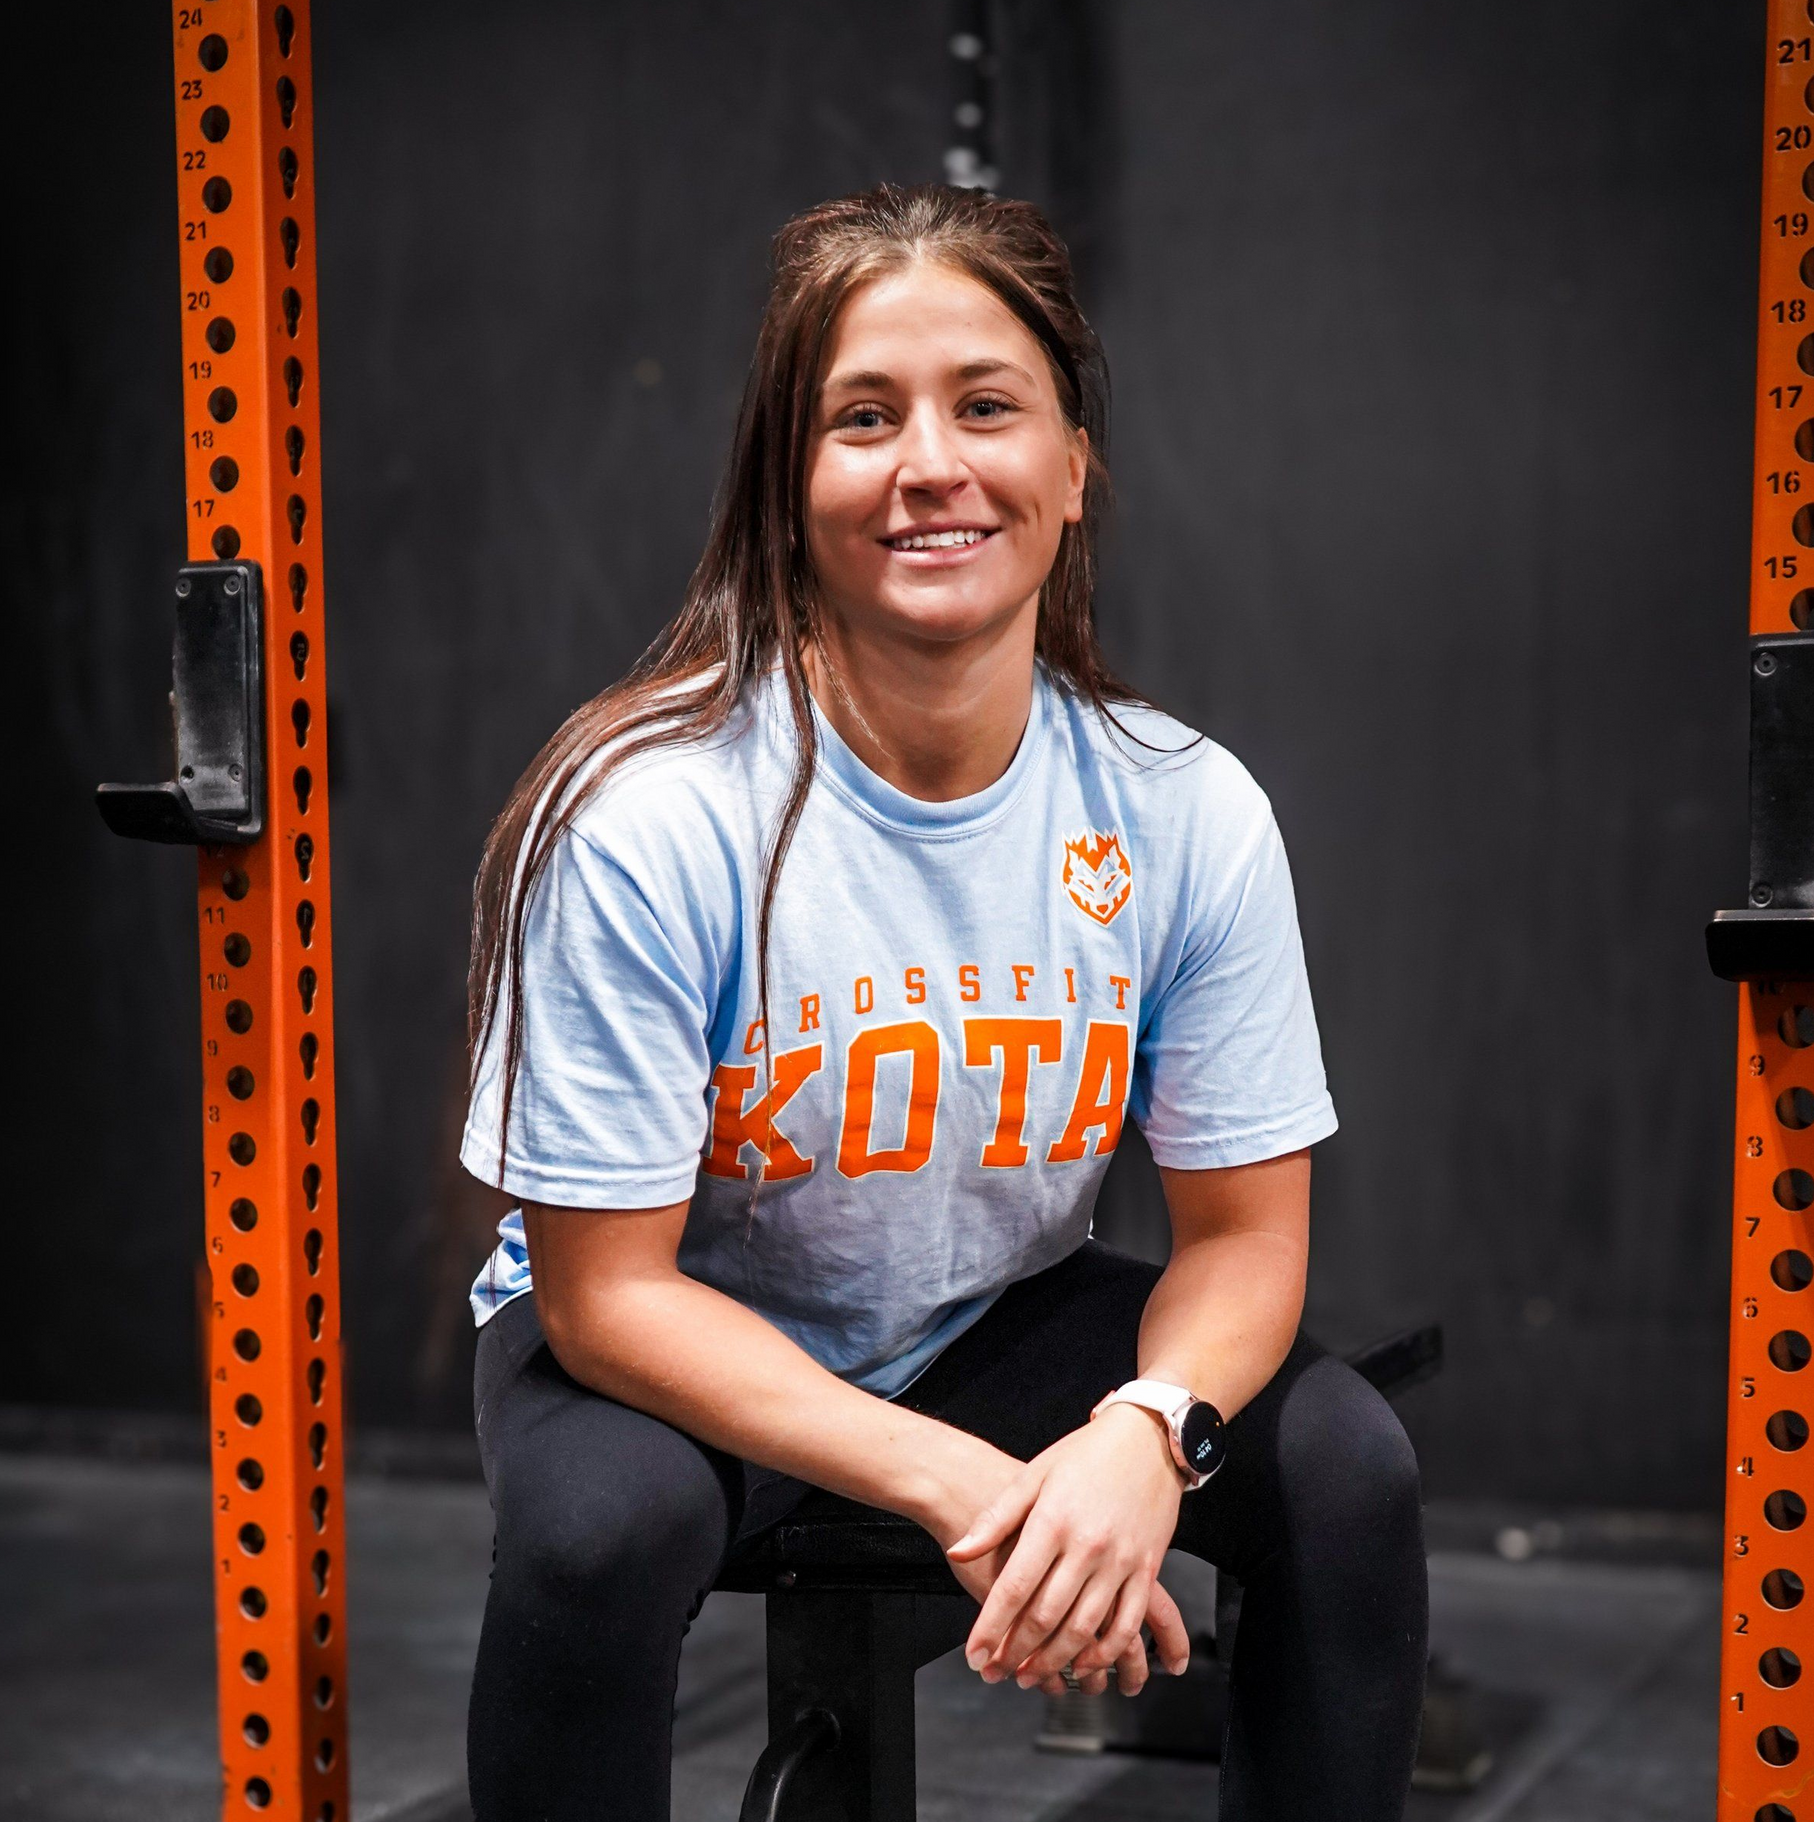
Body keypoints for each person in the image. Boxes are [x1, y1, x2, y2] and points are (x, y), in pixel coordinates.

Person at [460, 182, 1426, 1822]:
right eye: (862, 416)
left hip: (990, 1312)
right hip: (686, 1343)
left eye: (987, 406)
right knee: (590, 1532)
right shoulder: (649, 814)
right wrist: (968, 1485)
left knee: (1343, 1466)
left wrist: (1145, 1432)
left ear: (1070, 467)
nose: (930, 464)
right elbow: (605, 1296)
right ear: (793, 484)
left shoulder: (1183, 809)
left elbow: (1249, 1239)